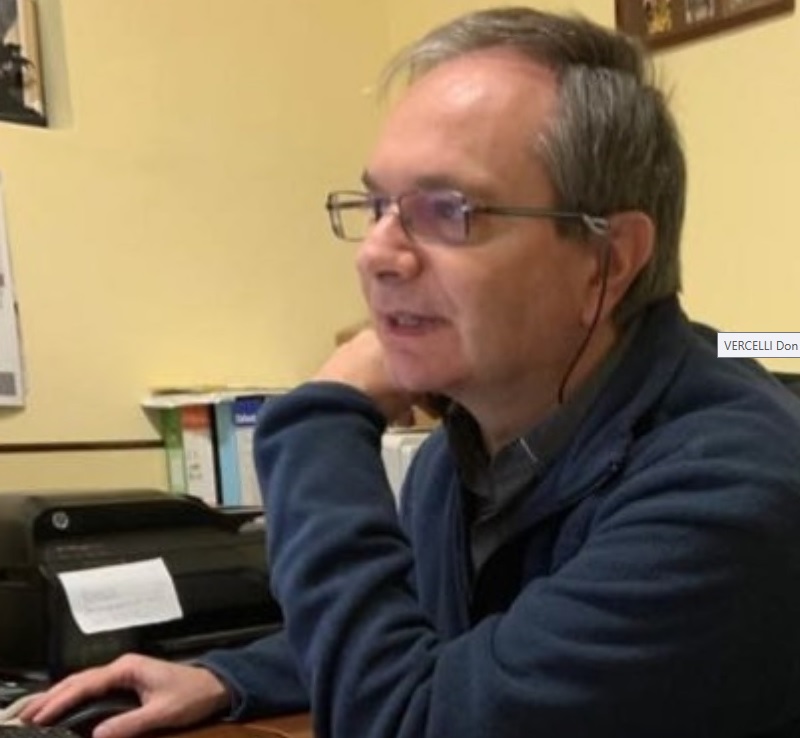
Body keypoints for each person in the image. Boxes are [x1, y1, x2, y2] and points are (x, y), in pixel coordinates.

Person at [21, 6, 800, 738]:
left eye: (448, 211)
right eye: (377, 207)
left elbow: (410, 722)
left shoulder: (727, 489)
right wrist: (230, 675)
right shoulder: (457, 459)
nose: (376, 254)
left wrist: (322, 417)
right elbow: (465, 647)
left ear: (607, 259)